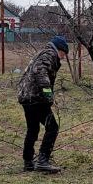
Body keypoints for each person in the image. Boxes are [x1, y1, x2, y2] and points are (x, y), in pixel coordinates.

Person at [17, 35, 68, 173]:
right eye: (64, 53)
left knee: (33, 129)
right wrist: (48, 95)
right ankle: (43, 161)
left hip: (26, 96)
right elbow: (41, 73)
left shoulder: (42, 53)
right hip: (36, 98)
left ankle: (28, 162)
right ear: (59, 49)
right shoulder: (50, 54)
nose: (63, 57)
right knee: (52, 127)